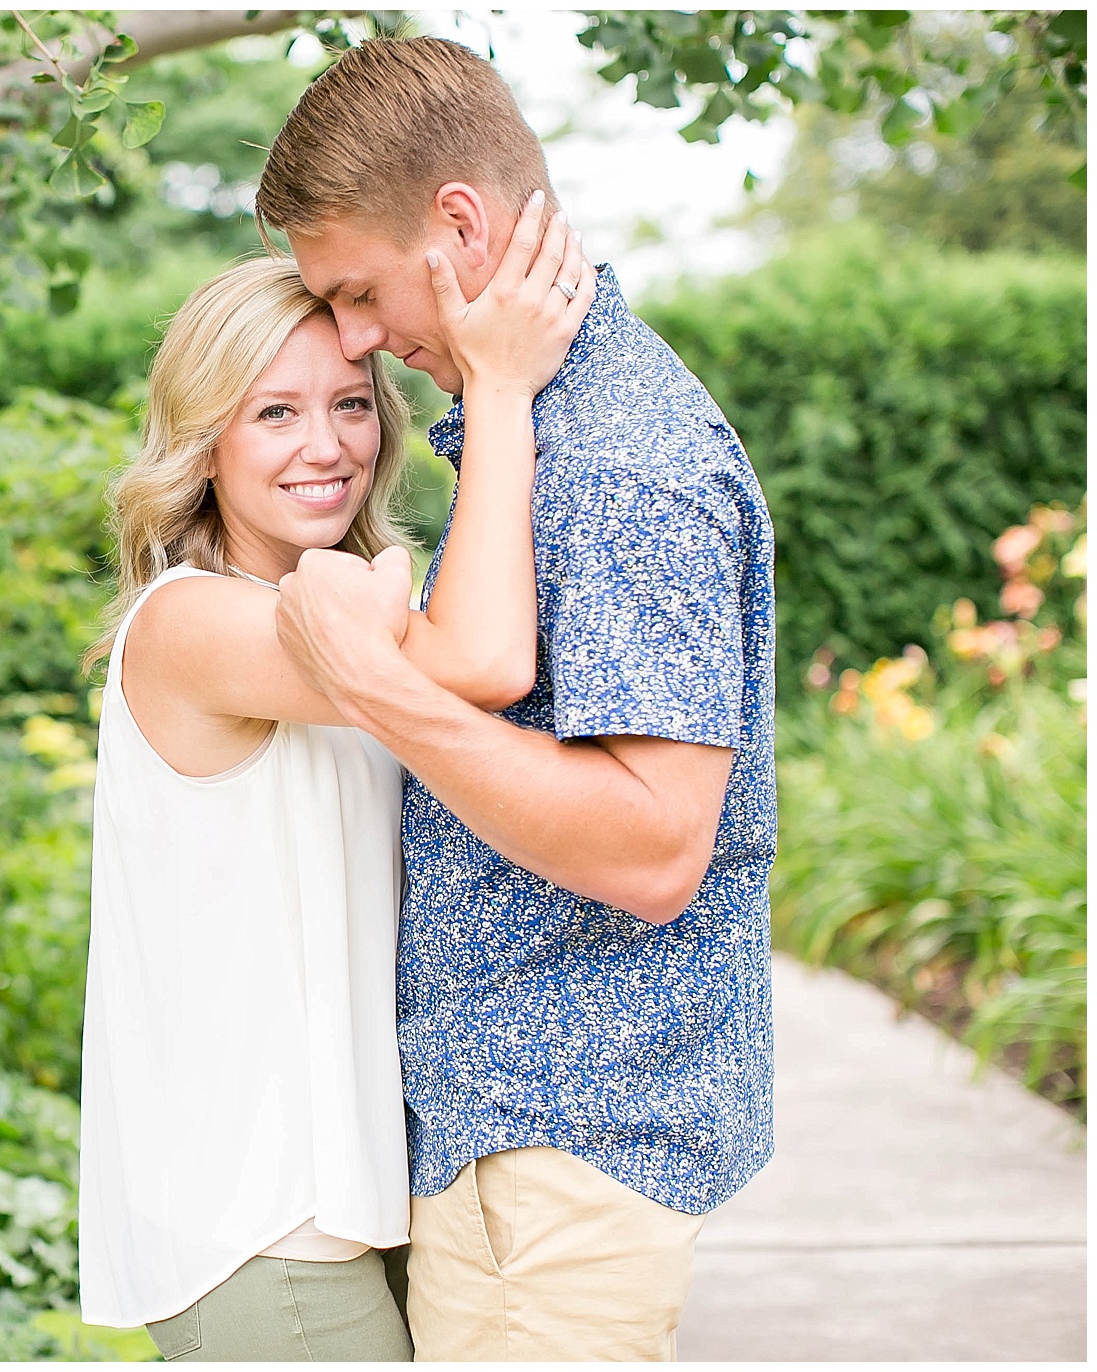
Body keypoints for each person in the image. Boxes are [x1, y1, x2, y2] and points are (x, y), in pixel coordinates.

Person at [253, 36, 778, 1362]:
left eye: (360, 293)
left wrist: (375, 687)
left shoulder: (620, 464)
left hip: (574, 1149)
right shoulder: (537, 430)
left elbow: (657, 848)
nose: (359, 340)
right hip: (501, 1129)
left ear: (460, 225)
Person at [77, 201, 593, 1360]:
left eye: (350, 403)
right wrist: (499, 389)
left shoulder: (333, 612)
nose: (326, 446)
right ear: (203, 441)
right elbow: (482, 661)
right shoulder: (192, 625)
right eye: (274, 413)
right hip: (257, 1228)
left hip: (344, 1209)